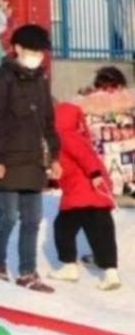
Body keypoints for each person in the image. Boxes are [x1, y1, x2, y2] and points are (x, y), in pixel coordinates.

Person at [0, 23, 61, 292]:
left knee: (32, 219)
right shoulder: (2, 80)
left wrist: (54, 156)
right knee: (8, 217)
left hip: (32, 161)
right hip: (6, 161)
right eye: (32, 50)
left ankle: (27, 271)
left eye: (41, 52)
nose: (37, 56)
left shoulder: (40, 81)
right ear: (17, 49)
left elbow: (48, 122)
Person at [50, 103, 121, 291]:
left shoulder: (64, 136)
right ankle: (110, 272)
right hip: (90, 193)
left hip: (81, 193)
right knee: (101, 233)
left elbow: (84, 157)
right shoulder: (77, 136)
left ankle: (69, 266)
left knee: (63, 229)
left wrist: (94, 174)